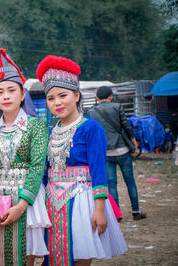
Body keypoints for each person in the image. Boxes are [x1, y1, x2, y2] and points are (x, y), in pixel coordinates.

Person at [37, 55, 127, 266]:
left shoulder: (91, 128)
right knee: (49, 256)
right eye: (50, 98)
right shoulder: (48, 132)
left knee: (80, 256)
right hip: (51, 201)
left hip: (80, 200)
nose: (57, 102)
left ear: (76, 95)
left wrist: (99, 209)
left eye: (62, 95)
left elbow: (98, 170)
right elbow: (43, 171)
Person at [0, 48, 51, 266]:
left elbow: (38, 167)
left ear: (22, 94)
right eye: (0, 92)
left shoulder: (36, 126)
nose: (6, 96)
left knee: (26, 254)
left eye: (11, 90)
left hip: (26, 198)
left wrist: (21, 206)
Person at [88, 86, 146, 221]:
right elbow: (126, 126)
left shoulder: (91, 112)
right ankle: (136, 211)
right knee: (130, 181)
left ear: (96, 98)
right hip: (123, 150)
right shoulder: (117, 107)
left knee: (112, 184)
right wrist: (133, 141)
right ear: (110, 97)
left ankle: (116, 215)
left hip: (106, 153)